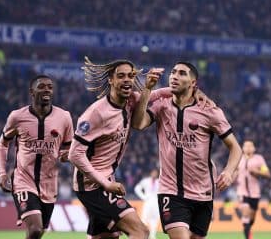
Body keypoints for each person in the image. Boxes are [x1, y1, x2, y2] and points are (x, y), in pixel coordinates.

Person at [69, 57, 212, 239]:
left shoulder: (131, 101)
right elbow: (75, 154)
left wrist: (195, 91)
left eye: (131, 75)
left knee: (106, 236)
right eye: (121, 76)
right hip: (92, 186)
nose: (127, 80)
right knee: (140, 231)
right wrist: (105, 183)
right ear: (111, 80)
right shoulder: (95, 113)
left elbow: (159, 94)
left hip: (105, 181)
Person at [132, 61, 242, 239]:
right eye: (173, 72)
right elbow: (138, 124)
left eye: (182, 73)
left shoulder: (209, 111)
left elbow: (235, 148)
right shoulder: (162, 106)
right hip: (171, 191)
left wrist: (229, 172)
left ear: (193, 84)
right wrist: (147, 89)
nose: (174, 76)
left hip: (203, 193)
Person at [0, 75, 74, 239]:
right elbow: (3, 144)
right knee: (35, 229)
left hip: (50, 184)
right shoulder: (17, 117)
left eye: (50, 86)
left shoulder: (64, 117)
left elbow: (67, 149)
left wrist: (66, 156)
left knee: (37, 233)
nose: (47, 89)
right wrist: (2, 173)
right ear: (32, 91)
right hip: (23, 179)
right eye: (42, 86)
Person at [236, 140, 271, 239]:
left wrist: (257, 172)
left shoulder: (259, 159)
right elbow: (233, 171)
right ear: (242, 148)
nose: (248, 148)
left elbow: (268, 174)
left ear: (254, 148)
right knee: (245, 212)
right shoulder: (238, 159)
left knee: (252, 219)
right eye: (246, 146)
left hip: (255, 193)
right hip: (242, 192)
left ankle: (248, 229)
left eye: (250, 146)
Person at [134, 169, 160, 239]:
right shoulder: (146, 181)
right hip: (148, 201)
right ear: (151, 173)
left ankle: (152, 236)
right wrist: (143, 196)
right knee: (144, 218)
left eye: (155, 173)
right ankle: (142, 234)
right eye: (153, 172)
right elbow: (137, 188)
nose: (154, 174)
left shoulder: (159, 182)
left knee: (155, 219)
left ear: (157, 174)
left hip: (156, 202)